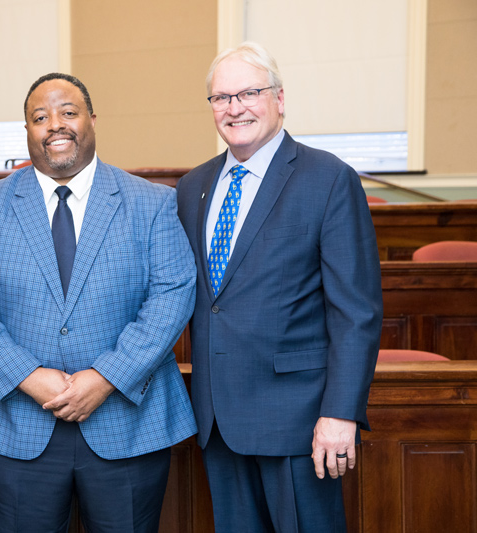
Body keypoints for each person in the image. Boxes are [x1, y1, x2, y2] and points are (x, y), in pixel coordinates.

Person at [0, 72, 197, 532]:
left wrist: (106, 377)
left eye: (68, 112)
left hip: (127, 424)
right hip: (16, 423)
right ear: (27, 132)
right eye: (40, 117)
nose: (55, 125)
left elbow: (172, 293)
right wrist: (25, 374)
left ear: (92, 121)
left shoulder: (152, 202)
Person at [176, 42, 383, 532]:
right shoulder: (192, 187)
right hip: (218, 422)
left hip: (300, 423)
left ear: (280, 98)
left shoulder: (328, 179)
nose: (234, 107)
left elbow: (356, 312)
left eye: (249, 92)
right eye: (221, 98)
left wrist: (340, 413)